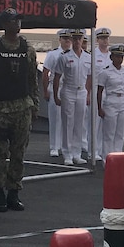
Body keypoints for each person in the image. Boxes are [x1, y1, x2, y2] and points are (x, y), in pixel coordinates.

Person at [0, 8, 39, 213]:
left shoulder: (28, 49)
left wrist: (35, 105)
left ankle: (14, 192)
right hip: (0, 110)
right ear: (4, 25)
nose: (17, 24)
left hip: (22, 108)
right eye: (13, 21)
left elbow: (32, 80)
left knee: (18, 153)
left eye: (19, 20)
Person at [53, 29, 91, 166]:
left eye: (79, 38)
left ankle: (77, 153)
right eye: (74, 38)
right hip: (68, 90)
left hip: (81, 91)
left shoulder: (88, 57)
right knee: (68, 123)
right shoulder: (64, 56)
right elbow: (57, 76)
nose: (76, 41)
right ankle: (67, 153)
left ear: (82, 40)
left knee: (79, 124)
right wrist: (56, 95)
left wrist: (88, 93)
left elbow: (90, 76)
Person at [41, 30, 70, 158]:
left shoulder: (73, 54)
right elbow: (45, 72)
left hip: (69, 89)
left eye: (69, 38)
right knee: (55, 120)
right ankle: (54, 146)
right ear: (60, 39)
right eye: (64, 38)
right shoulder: (53, 54)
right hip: (55, 87)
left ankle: (66, 146)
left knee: (68, 120)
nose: (67, 41)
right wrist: (46, 90)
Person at [97, 43, 124, 156]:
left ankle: (118, 156)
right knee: (109, 133)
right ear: (111, 57)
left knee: (120, 132)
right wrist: (99, 108)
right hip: (111, 100)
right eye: (117, 56)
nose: (119, 59)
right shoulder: (105, 72)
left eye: (121, 56)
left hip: (123, 100)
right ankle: (107, 157)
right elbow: (100, 90)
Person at [91, 27, 113, 161]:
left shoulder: (112, 55)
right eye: (102, 38)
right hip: (96, 89)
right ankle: (94, 150)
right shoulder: (93, 54)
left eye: (106, 38)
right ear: (97, 40)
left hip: (109, 92)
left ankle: (105, 151)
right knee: (95, 122)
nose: (105, 41)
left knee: (107, 123)